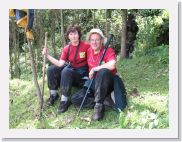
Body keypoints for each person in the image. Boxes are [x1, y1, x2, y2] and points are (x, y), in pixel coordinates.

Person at [71, 28, 127, 121]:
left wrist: (95, 68)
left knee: (103, 71)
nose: (94, 42)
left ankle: (98, 107)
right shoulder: (88, 51)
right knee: (75, 98)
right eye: (92, 40)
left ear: (101, 40)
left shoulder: (108, 50)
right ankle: (104, 101)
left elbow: (112, 65)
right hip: (95, 82)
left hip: (108, 82)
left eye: (97, 39)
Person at [42, 24, 90, 113]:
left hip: (81, 76)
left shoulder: (86, 46)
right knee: (51, 69)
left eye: (75, 33)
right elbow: (60, 64)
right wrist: (47, 55)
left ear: (79, 34)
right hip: (70, 72)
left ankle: (64, 100)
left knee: (66, 70)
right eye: (71, 34)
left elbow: (93, 60)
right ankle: (53, 95)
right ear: (68, 36)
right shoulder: (67, 48)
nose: (73, 36)